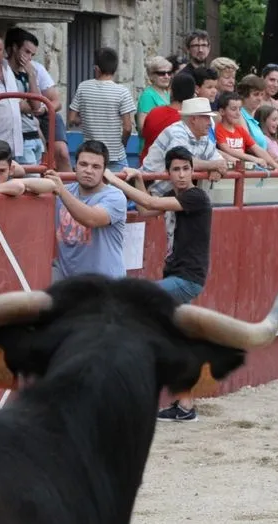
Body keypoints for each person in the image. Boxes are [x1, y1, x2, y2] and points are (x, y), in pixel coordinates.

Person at [102, 146, 213, 422]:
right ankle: (185, 406)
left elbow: (151, 205)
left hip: (186, 280)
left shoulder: (196, 196)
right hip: (179, 277)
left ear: (192, 170)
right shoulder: (172, 196)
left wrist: (113, 179)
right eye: (176, 170)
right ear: (169, 173)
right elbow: (145, 207)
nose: (182, 175)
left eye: (186, 169)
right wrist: (138, 178)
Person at [45, 140, 127, 281]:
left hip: (106, 286)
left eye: (96, 167)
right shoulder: (65, 190)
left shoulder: (115, 196)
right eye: (83, 164)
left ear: (104, 171)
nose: (88, 170)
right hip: (70, 283)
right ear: (75, 166)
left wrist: (61, 191)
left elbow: (91, 219)